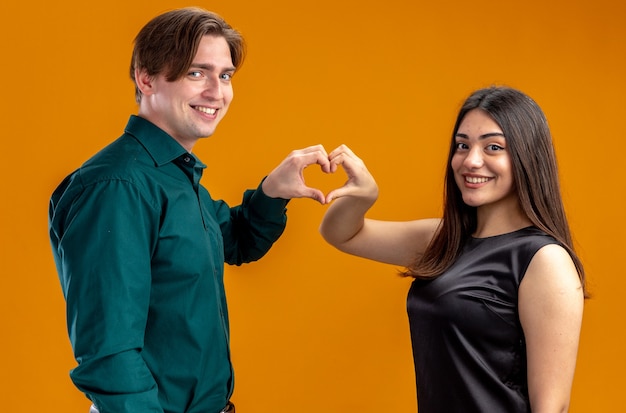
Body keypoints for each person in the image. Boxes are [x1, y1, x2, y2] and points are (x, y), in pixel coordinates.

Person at [49, 7, 331, 413]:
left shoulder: (173, 175)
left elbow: (235, 242)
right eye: (197, 73)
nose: (217, 91)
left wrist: (273, 190)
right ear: (146, 78)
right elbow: (109, 354)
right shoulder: (118, 186)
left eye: (226, 75)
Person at [319, 86, 585, 413]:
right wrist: (365, 194)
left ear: (527, 157)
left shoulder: (544, 260)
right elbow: (341, 234)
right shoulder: (443, 239)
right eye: (462, 145)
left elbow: (552, 407)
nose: (471, 161)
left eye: (493, 147)